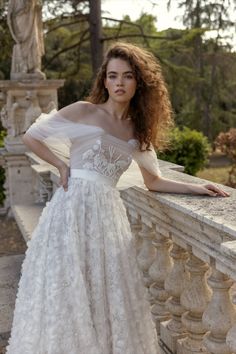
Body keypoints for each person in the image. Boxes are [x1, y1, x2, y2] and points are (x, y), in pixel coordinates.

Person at [6, 42, 229, 354]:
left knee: (104, 289)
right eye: (113, 76)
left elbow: (153, 181)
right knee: (67, 286)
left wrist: (196, 188)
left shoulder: (136, 132)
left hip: (107, 216)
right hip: (71, 212)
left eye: (127, 76)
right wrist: (60, 164)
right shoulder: (85, 111)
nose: (119, 83)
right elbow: (31, 136)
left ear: (138, 82)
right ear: (104, 81)